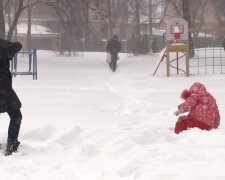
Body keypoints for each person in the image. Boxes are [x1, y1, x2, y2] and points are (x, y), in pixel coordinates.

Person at [0, 39, 23, 156]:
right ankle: (11, 144)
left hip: (4, 88)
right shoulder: (2, 47)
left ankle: (11, 143)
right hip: (3, 89)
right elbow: (17, 46)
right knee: (16, 116)